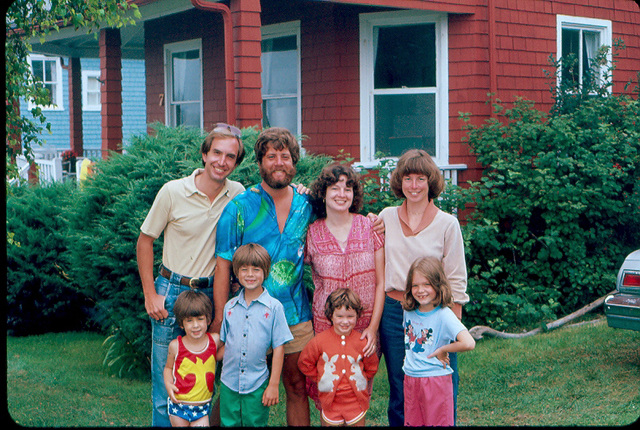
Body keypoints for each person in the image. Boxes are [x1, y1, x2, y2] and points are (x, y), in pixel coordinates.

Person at [137, 123, 245, 427]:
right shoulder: (173, 192)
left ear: (236, 163)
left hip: (213, 294)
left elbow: (266, 203)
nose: (222, 162)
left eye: (230, 157)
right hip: (171, 291)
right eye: (217, 153)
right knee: (166, 383)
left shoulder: (236, 194)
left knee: (205, 381)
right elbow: (145, 241)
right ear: (204, 153)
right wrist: (150, 293)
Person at [214, 127, 314, 426]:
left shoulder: (308, 204)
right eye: (271, 156)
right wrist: (220, 319)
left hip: (294, 314)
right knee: (235, 388)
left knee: (297, 386)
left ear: (294, 162)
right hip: (246, 314)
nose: (279, 162)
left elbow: (343, 215)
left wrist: (376, 221)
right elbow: (222, 267)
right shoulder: (240, 207)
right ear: (259, 163)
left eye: (285, 156)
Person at [377, 149, 469, 426]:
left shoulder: (447, 224)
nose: (414, 186)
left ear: (431, 182)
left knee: (440, 382)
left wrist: (451, 326)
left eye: (420, 179)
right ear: (399, 182)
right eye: (407, 179)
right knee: (400, 384)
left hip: (434, 311)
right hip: (394, 312)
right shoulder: (386, 217)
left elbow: (456, 279)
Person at [304, 162, 385, 409]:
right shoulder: (311, 233)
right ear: (323, 193)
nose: (342, 194)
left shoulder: (370, 226)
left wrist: (372, 328)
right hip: (326, 327)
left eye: (348, 188)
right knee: (328, 394)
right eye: (335, 188)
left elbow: (381, 282)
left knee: (357, 393)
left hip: (363, 328)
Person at [218, 243, 293, 427]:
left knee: (255, 423)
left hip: (257, 382)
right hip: (229, 382)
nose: (250, 274)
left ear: (265, 271)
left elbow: (279, 348)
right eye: (244, 269)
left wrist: (273, 384)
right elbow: (225, 345)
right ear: (236, 272)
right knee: (229, 423)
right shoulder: (229, 307)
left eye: (256, 269)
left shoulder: (274, 307)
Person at [401, 257, 475, 426]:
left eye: (427, 284)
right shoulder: (409, 311)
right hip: (411, 380)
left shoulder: (444, 314)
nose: (421, 290)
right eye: (415, 285)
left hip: (436, 382)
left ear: (438, 285)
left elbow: (469, 342)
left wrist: (443, 349)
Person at [298, 288, 379, 427]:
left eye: (350, 316)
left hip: (355, 402)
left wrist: (360, 378)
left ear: (357, 316)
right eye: (340, 316)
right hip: (330, 403)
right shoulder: (320, 341)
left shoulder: (361, 341)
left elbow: (372, 366)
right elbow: (304, 362)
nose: (345, 321)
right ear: (331, 316)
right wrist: (321, 377)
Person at [163, 290, 221, 427]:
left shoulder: (215, 340)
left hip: (202, 408)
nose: (195, 325)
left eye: (200, 319)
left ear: (208, 319)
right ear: (181, 324)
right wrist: (168, 384)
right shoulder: (175, 346)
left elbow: (227, 352)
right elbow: (168, 368)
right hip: (179, 406)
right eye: (189, 321)